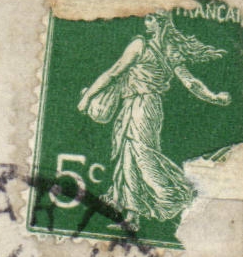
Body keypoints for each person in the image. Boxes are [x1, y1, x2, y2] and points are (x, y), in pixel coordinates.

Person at [78, 12, 230, 230]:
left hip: (140, 106)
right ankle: (132, 216)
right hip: (146, 106)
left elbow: (114, 72)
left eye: (150, 19)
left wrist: (87, 96)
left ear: (161, 23)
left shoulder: (140, 45)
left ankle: (180, 193)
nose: (146, 22)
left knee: (140, 154)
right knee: (130, 154)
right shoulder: (170, 50)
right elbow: (191, 83)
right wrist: (213, 97)